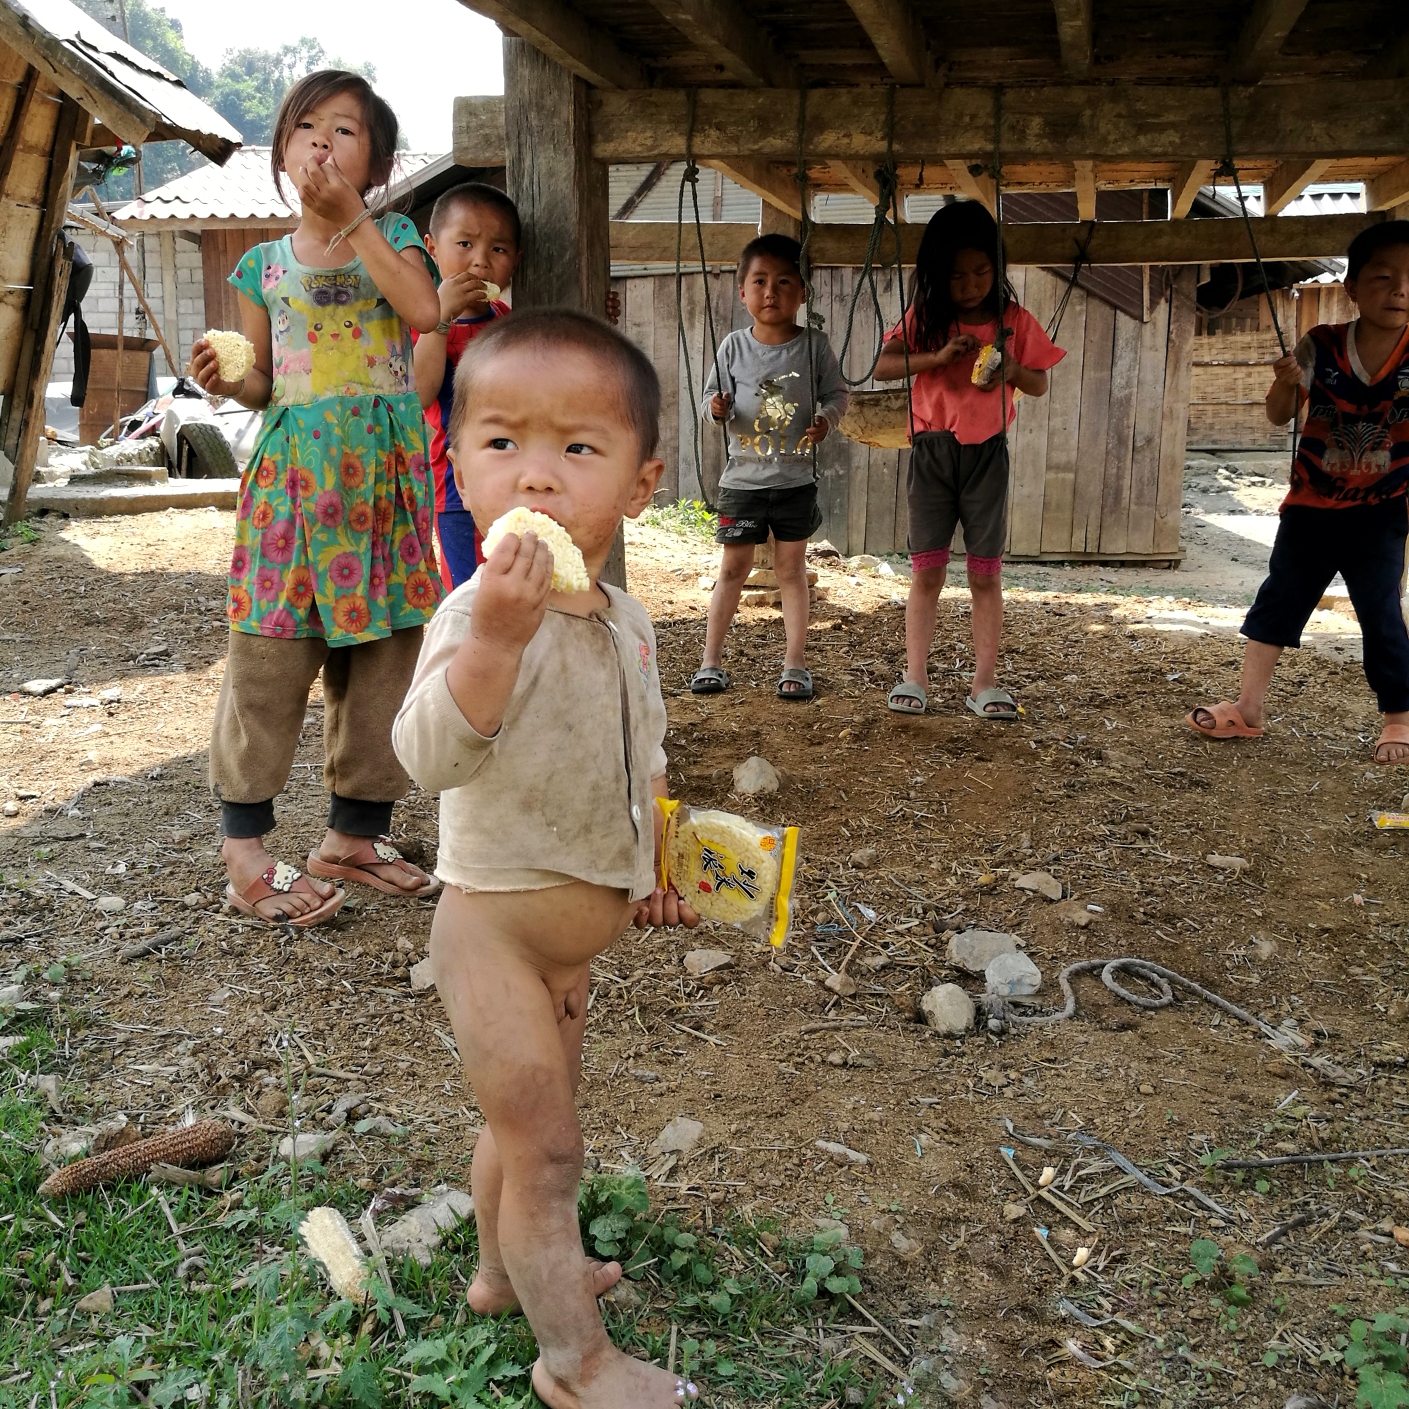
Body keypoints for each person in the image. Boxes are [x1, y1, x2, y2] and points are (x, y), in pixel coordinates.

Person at [392, 309, 703, 1408]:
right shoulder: (476, 613)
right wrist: (490, 645)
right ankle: (574, 1362)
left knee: (518, 1130)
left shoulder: (623, 617)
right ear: (458, 467)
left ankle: (494, 1274)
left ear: (641, 478)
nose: (536, 476)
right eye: (500, 443)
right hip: (493, 929)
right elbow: (424, 756)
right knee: (550, 1147)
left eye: (577, 447)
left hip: (575, 941)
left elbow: (640, 747)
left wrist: (653, 855)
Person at [190, 70, 442, 925]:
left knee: (384, 659)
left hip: (383, 485)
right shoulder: (264, 264)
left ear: (376, 162)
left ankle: (354, 836)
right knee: (269, 654)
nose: (321, 144)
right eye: (305, 129)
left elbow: (423, 310)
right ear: (281, 151)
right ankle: (246, 850)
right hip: (296, 487)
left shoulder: (398, 233)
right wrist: (231, 375)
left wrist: (357, 221)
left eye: (344, 131)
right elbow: (265, 384)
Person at [1188, 221, 1409, 763]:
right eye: (1383, 277)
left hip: (1381, 512)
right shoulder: (1321, 344)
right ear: (1352, 286)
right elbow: (1277, 415)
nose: (1401, 289)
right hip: (1309, 509)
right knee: (1279, 601)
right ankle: (1248, 709)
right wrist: (1287, 381)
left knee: (1380, 611)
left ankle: (1399, 717)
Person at [873, 201, 1064, 718]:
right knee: (927, 572)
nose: (971, 283)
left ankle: (983, 684)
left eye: (982, 271)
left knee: (985, 574)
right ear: (938, 276)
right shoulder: (927, 319)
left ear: (997, 270)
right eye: (957, 275)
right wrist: (935, 359)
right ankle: (915, 676)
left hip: (987, 457)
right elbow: (882, 367)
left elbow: (1040, 383)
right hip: (932, 451)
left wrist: (1012, 372)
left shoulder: (1013, 322)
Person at [689, 233, 848, 702]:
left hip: (796, 480)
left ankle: (795, 664)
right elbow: (708, 398)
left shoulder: (814, 346)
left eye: (783, 282)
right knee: (732, 570)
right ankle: (710, 661)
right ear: (742, 292)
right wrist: (715, 409)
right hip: (742, 480)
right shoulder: (733, 347)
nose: (771, 292)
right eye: (759, 281)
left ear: (802, 293)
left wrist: (826, 419)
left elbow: (838, 394)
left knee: (791, 572)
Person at [413, 182, 521, 593]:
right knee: (468, 594)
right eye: (464, 243)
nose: (480, 261)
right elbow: (421, 395)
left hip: (518, 479)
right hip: (457, 490)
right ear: (432, 247)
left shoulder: (508, 321)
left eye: (498, 249)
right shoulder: (422, 325)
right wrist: (441, 318)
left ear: (516, 260)